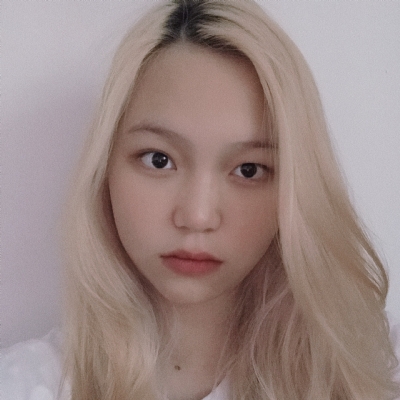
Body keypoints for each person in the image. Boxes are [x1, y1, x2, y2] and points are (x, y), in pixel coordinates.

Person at [1, 0, 399, 399]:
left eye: (249, 170)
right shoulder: (28, 385)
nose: (197, 216)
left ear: (296, 186)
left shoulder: (374, 374)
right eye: (159, 160)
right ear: (104, 168)